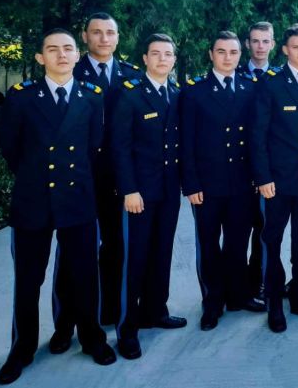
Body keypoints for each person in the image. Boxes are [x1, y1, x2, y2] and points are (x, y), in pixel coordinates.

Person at [0, 29, 116, 385]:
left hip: (77, 199)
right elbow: (11, 150)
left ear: (77, 54)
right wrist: (35, 178)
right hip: (33, 201)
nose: (61, 55)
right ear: (40, 57)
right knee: (28, 280)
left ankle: (92, 337)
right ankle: (22, 348)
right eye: (53, 49)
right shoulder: (21, 97)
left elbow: (93, 146)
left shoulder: (91, 95)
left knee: (85, 275)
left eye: (67, 49)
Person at [51, 12, 140, 335]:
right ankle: (65, 324)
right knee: (72, 251)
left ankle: (110, 310)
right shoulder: (70, 71)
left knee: (117, 246)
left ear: (117, 37)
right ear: (84, 36)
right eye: (97, 32)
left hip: (119, 178)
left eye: (110, 32)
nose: (104, 38)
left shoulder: (132, 74)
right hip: (79, 177)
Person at [181, 31, 265, 332]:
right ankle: (212, 302)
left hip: (241, 183)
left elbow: (256, 137)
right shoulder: (195, 91)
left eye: (233, 52)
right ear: (211, 54)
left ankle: (238, 295)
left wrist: (257, 177)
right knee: (208, 244)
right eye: (221, 51)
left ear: (240, 55)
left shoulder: (249, 88)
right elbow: (186, 142)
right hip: (207, 185)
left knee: (237, 243)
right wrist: (191, 184)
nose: (227, 57)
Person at [112, 33, 186, 360]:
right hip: (139, 193)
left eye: (168, 54)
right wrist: (129, 189)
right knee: (135, 259)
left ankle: (156, 310)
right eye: (155, 54)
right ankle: (127, 329)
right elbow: (120, 146)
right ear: (144, 58)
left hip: (168, 190)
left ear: (174, 60)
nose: (162, 59)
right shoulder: (130, 94)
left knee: (162, 252)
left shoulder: (176, 93)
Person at [252, 24, 298, 333]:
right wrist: (263, 177)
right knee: (272, 242)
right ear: (284, 49)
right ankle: (273, 303)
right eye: (296, 47)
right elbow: (258, 135)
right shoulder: (270, 83)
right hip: (277, 181)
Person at [237, 21, 276, 301]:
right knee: (239, 231)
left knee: (265, 231)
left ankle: (260, 282)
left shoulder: (278, 77)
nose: (260, 46)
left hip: (269, 169)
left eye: (265, 41)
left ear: (273, 44)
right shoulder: (234, 74)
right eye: (255, 41)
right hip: (237, 167)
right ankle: (237, 287)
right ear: (247, 44)